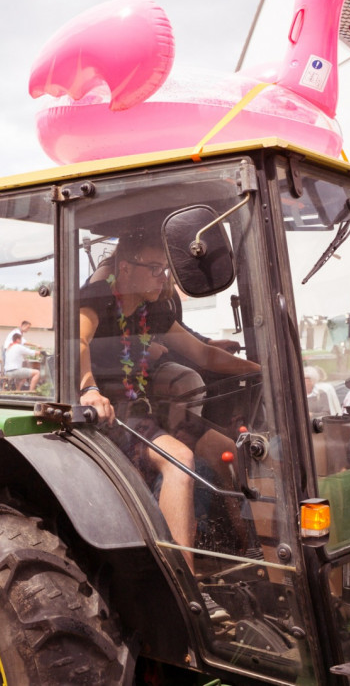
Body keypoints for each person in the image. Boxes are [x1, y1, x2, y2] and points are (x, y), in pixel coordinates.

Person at [78, 231, 259, 567]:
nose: (163, 278)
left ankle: (247, 552)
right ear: (125, 268)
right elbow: (77, 342)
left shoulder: (153, 309)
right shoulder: (98, 298)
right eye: (155, 269)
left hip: (146, 412)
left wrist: (262, 369)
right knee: (179, 460)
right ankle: (186, 583)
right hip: (106, 417)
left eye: (165, 270)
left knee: (228, 451)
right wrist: (89, 389)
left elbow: (203, 354)